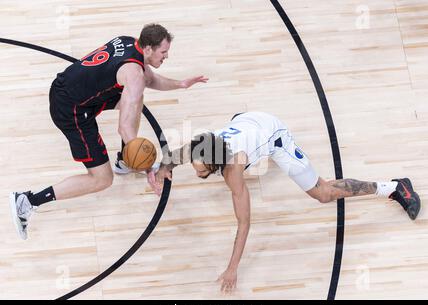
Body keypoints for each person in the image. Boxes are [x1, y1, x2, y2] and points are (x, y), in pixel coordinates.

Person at [149, 111, 421, 293]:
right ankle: (251, 135)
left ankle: (395, 187)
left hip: (274, 134)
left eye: (201, 169)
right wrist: (161, 171)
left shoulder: (233, 170)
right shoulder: (202, 145)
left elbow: (244, 223)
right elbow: (175, 156)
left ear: (217, 163)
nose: (196, 172)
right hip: (248, 119)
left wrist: (232, 268)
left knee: (323, 193)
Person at [9, 23, 208, 240]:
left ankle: (125, 161)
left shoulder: (130, 42)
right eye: (164, 52)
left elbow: (149, 79)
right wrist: (147, 168)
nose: (166, 56)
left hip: (68, 87)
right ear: (149, 49)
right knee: (102, 179)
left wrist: (180, 84)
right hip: (71, 110)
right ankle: (28, 201)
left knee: (135, 99)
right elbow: (124, 128)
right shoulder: (134, 75)